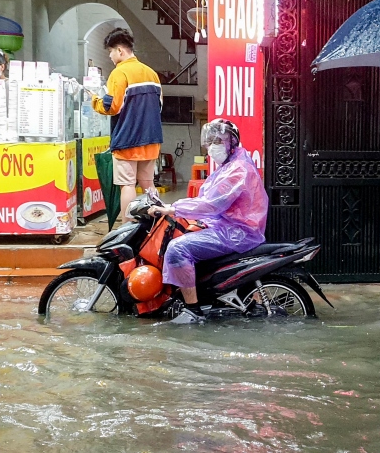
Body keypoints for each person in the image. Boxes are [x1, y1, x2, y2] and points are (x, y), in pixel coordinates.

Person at [150, 119, 268, 324]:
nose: (212, 147)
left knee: (177, 249)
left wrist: (173, 208)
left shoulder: (237, 169)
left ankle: (193, 310)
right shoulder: (230, 165)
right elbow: (207, 200)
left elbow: (212, 205)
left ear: (231, 142)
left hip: (236, 232)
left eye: (217, 141)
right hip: (228, 227)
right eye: (210, 141)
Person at [91, 28, 163, 222]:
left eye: (111, 52)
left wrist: (95, 101)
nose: (110, 56)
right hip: (152, 139)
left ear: (120, 51)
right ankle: (157, 224)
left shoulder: (119, 73)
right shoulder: (151, 74)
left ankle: (126, 228)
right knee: (148, 183)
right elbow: (160, 106)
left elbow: (112, 106)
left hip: (127, 140)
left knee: (128, 185)